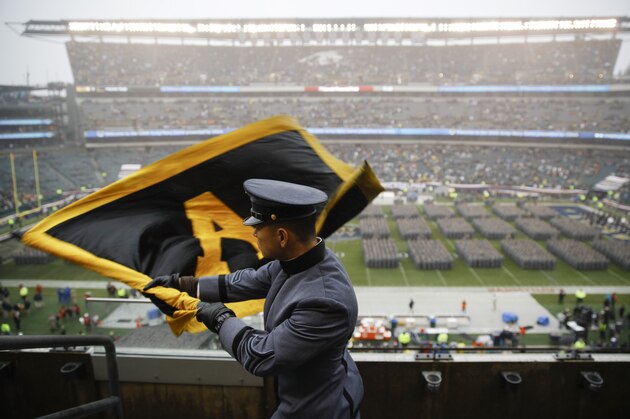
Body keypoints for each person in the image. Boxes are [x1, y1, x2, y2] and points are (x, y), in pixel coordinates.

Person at [144, 179, 363, 418]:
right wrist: (185, 285)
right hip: (304, 394)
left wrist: (219, 318)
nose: (254, 232)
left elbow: (262, 356)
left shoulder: (325, 303)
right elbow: (249, 281)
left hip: (320, 408)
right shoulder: (300, 260)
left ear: (282, 236)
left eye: (258, 227)